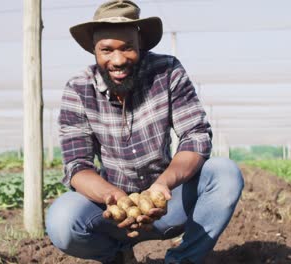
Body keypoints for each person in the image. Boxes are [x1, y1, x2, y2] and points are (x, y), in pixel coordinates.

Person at [45, 1, 244, 263]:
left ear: (140, 44)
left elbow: (195, 136)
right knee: (62, 220)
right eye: (106, 50)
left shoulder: (167, 71)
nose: (117, 60)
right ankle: (118, 257)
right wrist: (113, 197)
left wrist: (163, 185)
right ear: (94, 50)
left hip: (169, 204)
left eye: (127, 48)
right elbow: (77, 166)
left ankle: (181, 260)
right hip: (112, 213)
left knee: (224, 173)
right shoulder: (78, 89)